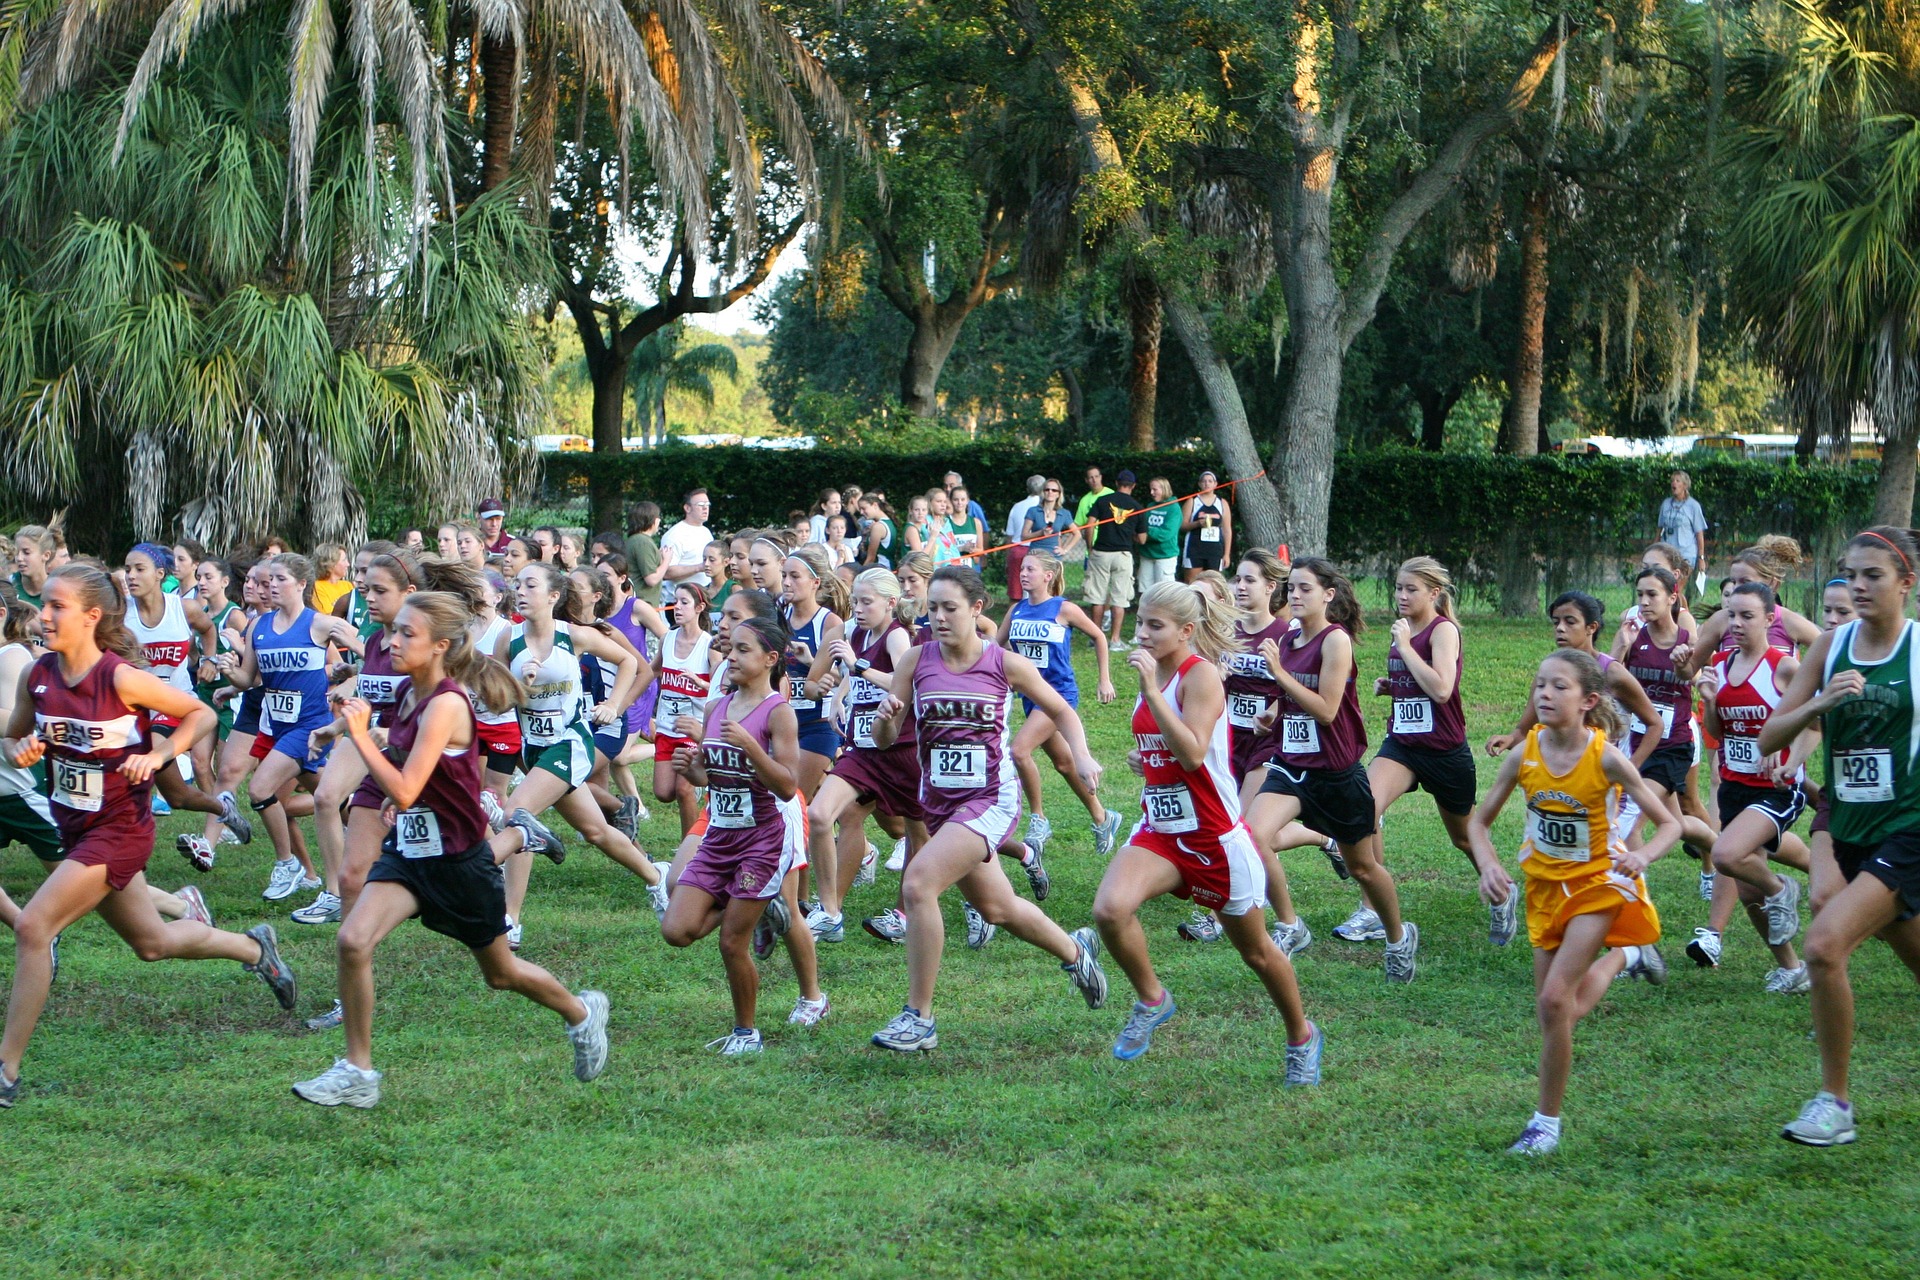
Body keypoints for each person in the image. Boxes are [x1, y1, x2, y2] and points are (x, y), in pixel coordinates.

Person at [291, 591, 609, 1107]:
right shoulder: (412, 696)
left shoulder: (445, 703)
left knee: (501, 974)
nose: (393, 641)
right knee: (353, 940)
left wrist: (360, 737)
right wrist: (397, 791)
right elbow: (414, 775)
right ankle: (358, 1072)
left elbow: (405, 786)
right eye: (395, 631)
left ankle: (581, 1012)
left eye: (406, 634)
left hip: (459, 862)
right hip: (411, 854)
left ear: (440, 646)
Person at [0, 565, 298, 1107]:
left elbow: (200, 714)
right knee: (152, 944)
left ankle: (5, 1071)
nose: (42, 616)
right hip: (76, 828)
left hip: (119, 831)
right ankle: (255, 949)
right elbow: (15, 732)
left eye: (56, 607)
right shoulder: (37, 676)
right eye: (43, 605)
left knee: (33, 928)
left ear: (92, 616)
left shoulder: (119, 678)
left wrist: (160, 753)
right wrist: (18, 750)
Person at [867, 565, 1109, 1052]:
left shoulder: (1004, 664)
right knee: (998, 908)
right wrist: (886, 722)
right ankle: (1075, 950)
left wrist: (1081, 754)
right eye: (931, 607)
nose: (937, 617)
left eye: (949, 608)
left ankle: (919, 1017)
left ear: (978, 609)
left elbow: (1060, 707)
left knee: (918, 883)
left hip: (989, 799)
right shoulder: (915, 661)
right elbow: (885, 737)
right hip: (939, 803)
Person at [1089, 580, 1324, 1080]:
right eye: (1140, 623)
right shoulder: (1156, 673)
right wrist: (1144, 758)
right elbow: (1166, 747)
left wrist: (1152, 691)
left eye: (1156, 626)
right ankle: (1153, 999)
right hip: (1162, 831)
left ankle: (1301, 1035)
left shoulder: (1200, 678)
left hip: (1214, 836)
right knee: (1109, 910)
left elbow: (1194, 752)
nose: (1143, 634)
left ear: (1187, 631)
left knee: (1258, 953)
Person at [1467, 648, 1677, 1157]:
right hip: (1543, 888)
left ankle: (1545, 1124)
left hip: (1598, 884)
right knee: (1560, 1013)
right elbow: (1478, 822)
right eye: (1540, 684)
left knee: (1554, 1000)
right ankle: (1627, 957)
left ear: (1589, 701)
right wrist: (1491, 865)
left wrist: (1644, 854)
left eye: (1559, 686)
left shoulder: (1605, 756)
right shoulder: (1525, 753)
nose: (1544, 694)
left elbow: (1671, 824)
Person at [1759, 527, 1920, 1147]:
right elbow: (1772, 737)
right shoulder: (1831, 645)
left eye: (1873, 575)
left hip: (1908, 831)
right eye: (1851, 574)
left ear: (1905, 583)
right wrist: (1819, 703)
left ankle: (1835, 1104)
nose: (1858, 585)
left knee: (1824, 945)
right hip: (1847, 829)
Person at [1246, 558, 1421, 981]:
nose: (1295, 595)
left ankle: (1398, 936)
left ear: (1328, 595)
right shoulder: (1287, 640)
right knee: (1250, 838)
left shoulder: (1334, 641)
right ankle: (1291, 926)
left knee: (1362, 867)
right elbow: (1290, 696)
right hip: (1291, 766)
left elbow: (1326, 710)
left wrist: (1280, 677)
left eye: (1306, 588)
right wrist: (1271, 712)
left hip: (1336, 772)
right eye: (1292, 588)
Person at [662, 614, 827, 1054]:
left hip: (763, 838)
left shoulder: (779, 713)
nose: (730, 656)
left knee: (732, 941)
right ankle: (757, 904)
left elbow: (789, 785)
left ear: (770, 659)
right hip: (721, 834)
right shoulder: (717, 707)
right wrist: (692, 769)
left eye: (742, 650)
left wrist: (752, 748)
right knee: (676, 930)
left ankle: (745, 1032)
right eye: (730, 648)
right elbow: (710, 778)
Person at [491, 562, 669, 949]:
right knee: (595, 831)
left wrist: (613, 706)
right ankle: (658, 877)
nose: (520, 591)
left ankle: (510, 919)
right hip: (531, 747)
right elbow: (496, 697)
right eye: (517, 584)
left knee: (518, 815)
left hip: (569, 743)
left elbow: (629, 663)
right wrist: (519, 684)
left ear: (553, 597)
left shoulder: (573, 635)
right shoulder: (509, 639)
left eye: (531, 585)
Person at [216, 553, 366, 902]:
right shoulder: (259, 627)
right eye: (268, 581)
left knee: (259, 789)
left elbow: (372, 654)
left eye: (280, 579)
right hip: (278, 726)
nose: (271, 587)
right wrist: (230, 673)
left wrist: (351, 680)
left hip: (311, 727)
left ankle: (288, 863)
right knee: (331, 795)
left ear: (301, 584)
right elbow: (250, 678)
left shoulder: (320, 624)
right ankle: (373, 829)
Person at [1694, 581, 1812, 990]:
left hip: (1778, 788)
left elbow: (1814, 724)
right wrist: (1710, 701)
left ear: (1769, 618)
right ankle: (1793, 969)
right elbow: (1717, 731)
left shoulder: (1783, 667)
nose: (1737, 623)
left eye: (1747, 615)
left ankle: (1783, 888)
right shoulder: (1722, 665)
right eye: (1731, 615)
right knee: (1747, 893)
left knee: (1726, 854)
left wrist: (1790, 760)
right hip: (1735, 786)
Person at [1359, 558, 1485, 940]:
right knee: (1365, 806)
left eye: (1410, 589)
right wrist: (1392, 686)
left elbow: (1443, 689)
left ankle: (1500, 888)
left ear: (1433, 593)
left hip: (1443, 750)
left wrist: (1404, 647)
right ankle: (1374, 911)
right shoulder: (1405, 628)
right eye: (1398, 587)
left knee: (1463, 837)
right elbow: (1418, 684)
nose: (1401, 595)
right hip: (1402, 744)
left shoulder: (1441, 631)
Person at [807, 569, 926, 942]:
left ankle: (907, 916)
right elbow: (853, 677)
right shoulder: (856, 634)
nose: (857, 609)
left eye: (866, 602)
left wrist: (858, 666)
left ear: (891, 603)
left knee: (917, 831)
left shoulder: (897, 636)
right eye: (855, 601)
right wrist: (839, 697)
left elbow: (905, 682)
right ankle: (829, 911)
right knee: (824, 814)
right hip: (862, 749)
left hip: (902, 749)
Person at [1002, 549, 1121, 881]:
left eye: (1030, 569)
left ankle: (1038, 818)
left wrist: (1104, 678)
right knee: (1065, 763)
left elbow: (1098, 635)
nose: (1023, 574)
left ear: (1048, 575)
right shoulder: (1017, 610)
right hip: (1031, 698)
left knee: (1019, 750)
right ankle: (1102, 817)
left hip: (1058, 697)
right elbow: (997, 649)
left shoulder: (1064, 608)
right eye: (1021, 569)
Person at [650, 583, 719, 834]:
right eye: (674, 601)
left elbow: (720, 688)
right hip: (667, 727)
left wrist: (699, 682)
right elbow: (652, 671)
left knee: (683, 790)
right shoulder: (667, 638)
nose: (676, 607)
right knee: (663, 793)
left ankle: (690, 851)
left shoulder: (710, 645)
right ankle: (699, 785)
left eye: (684, 602)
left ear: (699, 608)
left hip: (694, 729)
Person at [1084, 470, 1144, 649]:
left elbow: (1090, 524)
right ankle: (1115, 640)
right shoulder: (1137, 506)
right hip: (1123, 555)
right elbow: (1142, 539)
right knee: (1120, 598)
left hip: (1101, 553)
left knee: (1097, 597)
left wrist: (1090, 546)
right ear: (1133, 486)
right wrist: (1130, 535)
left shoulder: (1102, 500)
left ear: (1117, 483)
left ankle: (1096, 638)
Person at [1134, 476, 1181, 615]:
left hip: (1165, 556)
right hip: (1147, 555)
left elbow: (1166, 534)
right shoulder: (1150, 507)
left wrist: (1146, 532)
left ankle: (1164, 619)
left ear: (1164, 489)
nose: (1152, 492)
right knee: (1145, 591)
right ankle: (1145, 620)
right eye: (1151, 489)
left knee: (1164, 593)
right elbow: (1140, 527)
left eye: (1155, 489)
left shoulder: (1174, 508)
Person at [660, 489, 715, 606]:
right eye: (700, 505)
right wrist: (699, 567)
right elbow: (667, 572)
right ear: (687, 508)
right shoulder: (674, 535)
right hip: (680, 603)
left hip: (704, 598)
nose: (705, 508)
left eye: (707, 505)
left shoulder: (706, 531)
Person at [1656, 471, 1708, 581]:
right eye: (1672, 481)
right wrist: (1654, 550)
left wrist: (1701, 558)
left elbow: (1699, 534)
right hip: (1668, 553)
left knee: (1677, 587)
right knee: (1668, 588)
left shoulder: (1693, 506)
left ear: (1684, 485)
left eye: (1677, 481)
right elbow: (1659, 529)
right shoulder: (1666, 504)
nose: (1673, 483)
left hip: (1686, 554)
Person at [1180, 472, 1232, 582]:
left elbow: (1227, 530)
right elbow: (1182, 526)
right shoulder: (1192, 501)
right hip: (1194, 549)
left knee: (1214, 583)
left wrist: (1226, 554)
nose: (1206, 484)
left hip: (1215, 550)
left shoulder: (1222, 503)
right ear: (1199, 484)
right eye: (1203, 481)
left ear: (1215, 484)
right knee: (1192, 583)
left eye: (1210, 481)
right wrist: (1197, 524)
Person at [1004, 475, 1046, 588]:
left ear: (1027, 489)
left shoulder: (1017, 506)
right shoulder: (1045, 507)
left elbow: (1009, 536)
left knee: (1016, 592)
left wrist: (1007, 559)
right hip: (1039, 551)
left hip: (1017, 550)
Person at [1020, 480, 1078, 560]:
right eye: (1047, 489)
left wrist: (1064, 550)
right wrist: (1040, 533)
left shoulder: (1064, 513)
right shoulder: (1033, 511)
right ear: (1043, 492)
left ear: (1058, 494)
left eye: (1054, 490)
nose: (1050, 492)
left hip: (1054, 557)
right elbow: (1023, 536)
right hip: (1035, 556)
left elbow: (1077, 534)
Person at [623, 501, 667, 601]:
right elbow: (651, 579)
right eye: (657, 517)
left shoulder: (634, 540)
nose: (659, 520)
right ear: (652, 520)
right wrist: (666, 561)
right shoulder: (643, 542)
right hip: (643, 604)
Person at [12, 525, 54, 609]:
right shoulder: (9, 585)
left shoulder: (57, 590)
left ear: (46, 555)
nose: (19, 558)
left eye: (26, 552)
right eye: (16, 552)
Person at [311, 544, 353, 614]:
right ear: (331, 564)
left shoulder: (348, 585)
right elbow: (329, 616)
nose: (348, 564)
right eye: (344, 560)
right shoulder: (317, 587)